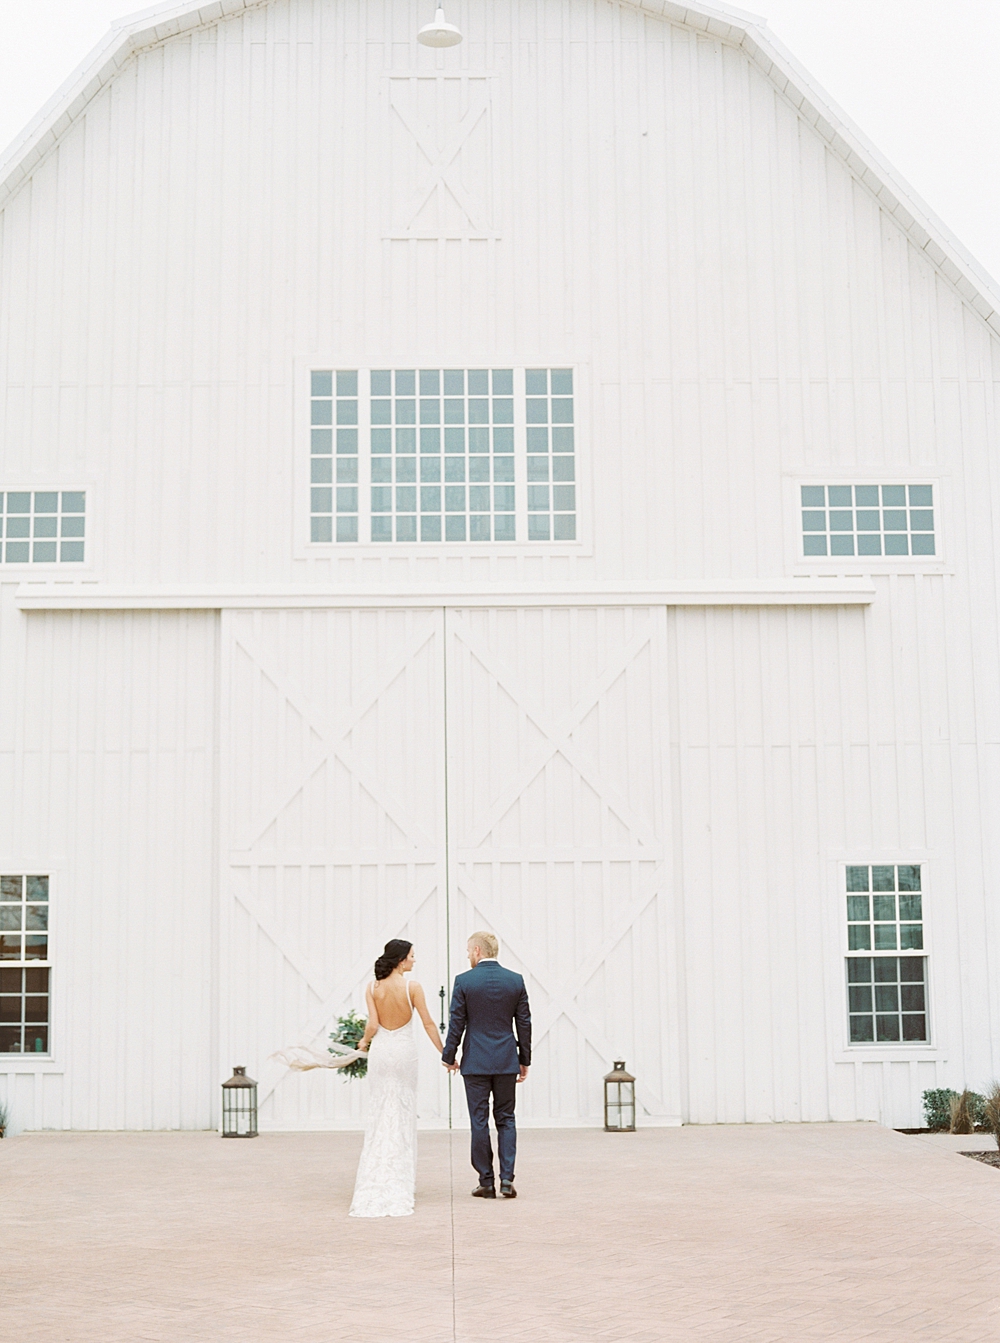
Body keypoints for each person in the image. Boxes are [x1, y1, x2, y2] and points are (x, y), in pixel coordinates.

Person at [349, 939, 444, 1218]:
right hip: (404, 1053)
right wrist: (445, 1053)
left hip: (381, 1052)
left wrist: (363, 1043)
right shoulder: (412, 987)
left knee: (380, 1108)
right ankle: (400, 1176)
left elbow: (372, 1025)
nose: (414, 960)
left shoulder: (372, 987)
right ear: (401, 959)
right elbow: (428, 1023)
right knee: (402, 1109)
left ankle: (375, 1172)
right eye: (412, 956)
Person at [441, 932, 532, 1200]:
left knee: (479, 1120)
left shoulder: (464, 981)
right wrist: (524, 1059)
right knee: (506, 1118)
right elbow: (524, 1023)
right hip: (506, 1060)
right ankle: (507, 1179)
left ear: (478, 950)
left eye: (469, 950)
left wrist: (449, 1055)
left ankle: (486, 1182)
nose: (468, 955)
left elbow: (456, 1022)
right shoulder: (515, 980)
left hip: (476, 1062)